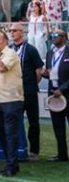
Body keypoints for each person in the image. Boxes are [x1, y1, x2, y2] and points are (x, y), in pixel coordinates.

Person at [0, 29, 24, 177]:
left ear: (5, 41)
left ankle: (11, 165)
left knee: (10, 133)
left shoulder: (11, 53)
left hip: (11, 99)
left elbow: (2, 68)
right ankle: (10, 163)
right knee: (2, 133)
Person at [10, 22, 44, 160]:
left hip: (28, 91)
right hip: (14, 92)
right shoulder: (10, 49)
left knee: (33, 121)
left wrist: (30, 84)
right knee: (15, 121)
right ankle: (18, 149)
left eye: (14, 30)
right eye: (10, 31)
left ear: (21, 33)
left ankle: (34, 151)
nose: (11, 33)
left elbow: (38, 71)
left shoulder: (30, 49)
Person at [43, 28, 69, 162]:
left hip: (67, 94)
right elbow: (50, 72)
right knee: (58, 126)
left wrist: (63, 89)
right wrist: (45, 74)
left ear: (64, 37)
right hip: (53, 95)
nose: (53, 37)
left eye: (56, 35)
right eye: (51, 35)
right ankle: (62, 154)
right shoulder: (49, 53)